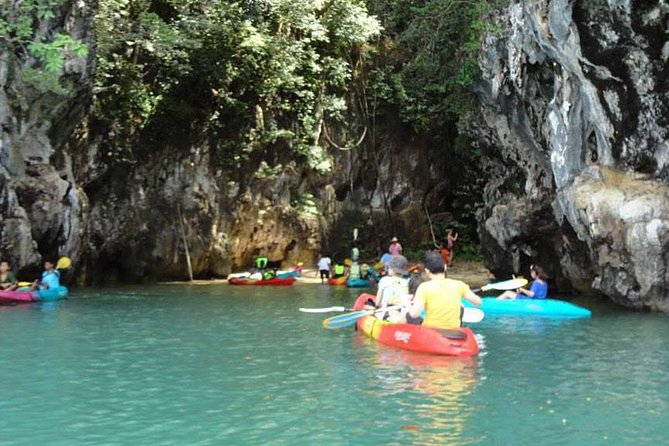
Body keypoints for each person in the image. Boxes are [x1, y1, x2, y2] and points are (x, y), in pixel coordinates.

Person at [407, 251, 482, 329]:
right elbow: (478, 302)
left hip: (431, 332)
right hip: (454, 332)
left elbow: (414, 314)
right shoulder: (459, 285)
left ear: (427, 271)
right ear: (445, 267)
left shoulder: (424, 287)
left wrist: (406, 303)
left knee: (408, 316)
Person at [375, 255, 409, 322]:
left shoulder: (384, 280)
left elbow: (378, 302)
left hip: (387, 313)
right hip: (402, 314)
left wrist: (376, 308)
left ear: (393, 270)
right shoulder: (407, 282)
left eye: (389, 268)